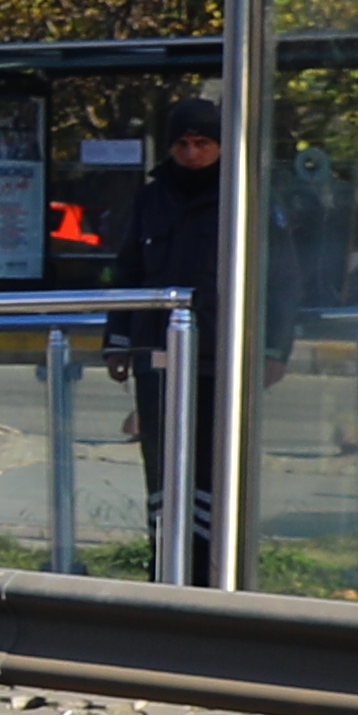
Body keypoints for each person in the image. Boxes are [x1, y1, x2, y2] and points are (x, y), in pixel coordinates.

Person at [114, 102, 228, 563]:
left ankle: (208, 569)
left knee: (209, 472)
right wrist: (118, 342)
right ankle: (165, 565)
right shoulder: (152, 198)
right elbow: (128, 272)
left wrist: (273, 348)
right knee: (162, 471)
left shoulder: (240, 194)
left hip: (216, 355)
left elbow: (280, 277)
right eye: (182, 143)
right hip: (155, 355)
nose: (192, 153)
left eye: (203, 143)